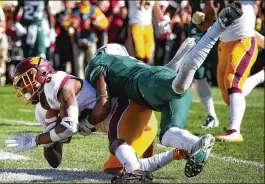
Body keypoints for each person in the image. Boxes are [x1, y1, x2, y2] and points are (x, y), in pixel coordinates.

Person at [84, 3, 243, 182]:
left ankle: (218, 26)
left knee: (179, 82)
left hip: (146, 86)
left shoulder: (102, 61)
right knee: (168, 133)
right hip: (163, 89)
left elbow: (103, 103)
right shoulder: (133, 64)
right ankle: (195, 143)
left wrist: (86, 125)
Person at [5, 46, 188, 183]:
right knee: (117, 167)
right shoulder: (45, 107)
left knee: (122, 160)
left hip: (127, 111)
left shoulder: (57, 83)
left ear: (41, 74)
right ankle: (175, 154)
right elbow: (55, 161)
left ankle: (141, 169)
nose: (25, 89)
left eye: (26, 81)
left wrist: (35, 140)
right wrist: (48, 140)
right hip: (132, 120)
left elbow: (70, 127)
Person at [159, 0, 220, 129]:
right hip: (197, 34)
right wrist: (165, 18)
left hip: (220, 33)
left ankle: (230, 122)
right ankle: (212, 116)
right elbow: (173, 5)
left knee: (225, 79)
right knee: (198, 75)